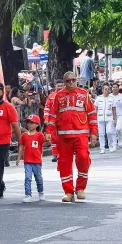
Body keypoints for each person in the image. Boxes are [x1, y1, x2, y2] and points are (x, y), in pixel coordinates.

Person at [45, 71, 98, 202]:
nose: (71, 82)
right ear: (64, 82)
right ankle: (68, 192)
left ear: (77, 80)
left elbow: (91, 114)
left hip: (81, 135)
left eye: (73, 80)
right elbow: (52, 115)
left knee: (84, 159)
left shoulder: (84, 94)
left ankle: (80, 188)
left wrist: (94, 133)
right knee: (64, 164)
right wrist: (49, 131)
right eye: (68, 80)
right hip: (63, 136)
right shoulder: (59, 96)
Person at [16, 114, 47, 203]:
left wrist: (49, 140)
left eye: (32, 123)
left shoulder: (39, 135)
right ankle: (28, 194)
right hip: (27, 161)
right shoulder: (24, 135)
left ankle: (41, 192)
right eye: (28, 122)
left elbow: (44, 143)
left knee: (38, 178)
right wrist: (18, 158)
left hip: (37, 161)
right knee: (28, 178)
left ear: (37, 124)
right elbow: (21, 146)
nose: (29, 125)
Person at [43, 81, 64, 163]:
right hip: (53, 121)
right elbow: (47, 108)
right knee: (53, 138)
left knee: (63, 138)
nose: (59, 87)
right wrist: (46, 119)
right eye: (58, 86)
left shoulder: (66, 95)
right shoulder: (51, 96)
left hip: (63, 121)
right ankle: (55, 155)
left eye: (61, 85)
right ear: (55, 86)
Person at [94, 83, 117, 153]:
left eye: (108, 89)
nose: (107, 90)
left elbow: (114, 109)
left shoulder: (111, 98)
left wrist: (115, 119)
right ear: (102, 90)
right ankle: (102, 148)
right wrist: (94, 118)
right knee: (101, 134)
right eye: (105, 89)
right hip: (100, 118)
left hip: (109, 118)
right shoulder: (98, 98)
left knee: (109, 132)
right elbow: (95, 108)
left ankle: (110, 146)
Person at [111, 82, 122, 146]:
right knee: (112, 130)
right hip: (112, 115)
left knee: (118, 128)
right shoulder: (109, 96)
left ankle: (120, 140)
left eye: (116, 87)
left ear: (118, 88)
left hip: (120, 115)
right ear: (112, 88)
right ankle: (114, 141)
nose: (115, 88)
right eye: (113, 87)